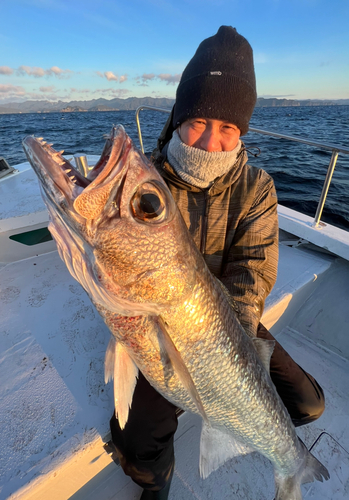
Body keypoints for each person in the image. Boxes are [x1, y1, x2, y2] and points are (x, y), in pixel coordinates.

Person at [110, 26, 325, 499]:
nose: (211, 141)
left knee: (309, 404)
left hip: (226, 324)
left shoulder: (257, 187)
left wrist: (228, 358)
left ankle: (249, 430)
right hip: (160, 321)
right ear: (179, 118)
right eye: (199, 122)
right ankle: (155, 482)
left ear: (242, 131)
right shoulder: (148, 190)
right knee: (138, 438)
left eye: (228, 127)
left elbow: (252, 274)